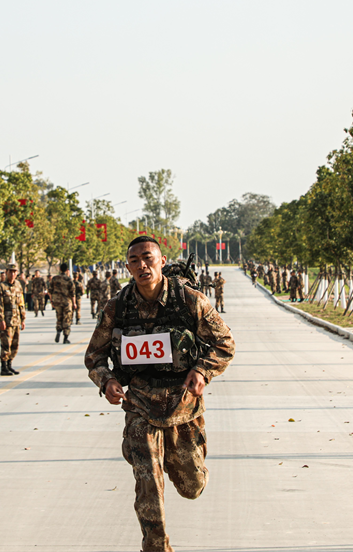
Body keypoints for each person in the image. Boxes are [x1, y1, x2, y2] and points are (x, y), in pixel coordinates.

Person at [85, 236, 234, 552]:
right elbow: (94, 356)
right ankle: (156, 547)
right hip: (139, 406)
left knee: (191, 486)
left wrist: (202, 371)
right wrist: (107, 381)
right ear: (128, 266)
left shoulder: (189, 301)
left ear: (162, 260)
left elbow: (225, 344)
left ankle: (177, 459)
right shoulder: (117, 307)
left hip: (183, 407)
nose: (142, 265)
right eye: (134, 260)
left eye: (148, 257)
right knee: (148, 487)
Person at [0, 264, 25, 376]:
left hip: (16, 320)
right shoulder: (0, 286)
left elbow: (21, 303)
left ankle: (10, 364)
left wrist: (23, 318)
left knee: (15, 345)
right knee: (5, 344)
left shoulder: (18, 285)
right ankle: (4, 366)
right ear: (6, 272)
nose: (12, 274)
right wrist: (1, 319)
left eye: (14, 272)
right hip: (6, 321)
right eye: (10, 271)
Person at [49, 263, 74, 344]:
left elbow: (50, 290)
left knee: (59, 317)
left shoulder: (54, 279)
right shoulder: (69, 279)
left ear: (60, 269)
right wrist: (74, 303)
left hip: (57, 301)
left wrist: (52, 300)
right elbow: (72, 293)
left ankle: (58, 331)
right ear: (67, 270)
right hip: (66, 302)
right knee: (67, 319)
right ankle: (65, 337)